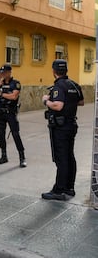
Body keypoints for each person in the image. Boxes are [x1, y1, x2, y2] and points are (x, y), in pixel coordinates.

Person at [41, 59, 84, 201]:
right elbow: (81, 102)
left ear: (54, 72)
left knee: (61, 158)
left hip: (60, 127)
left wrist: (46, 100)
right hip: (71, 125)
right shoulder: (74, 85)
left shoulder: (58, 86)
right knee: (70, 156)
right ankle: (69, 188)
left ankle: (59, 190)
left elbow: (58, 106)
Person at [0, 64, 26, 167]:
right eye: (2, 73)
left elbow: (14, 96)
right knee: (1, 135)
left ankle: (22, 157)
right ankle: (4, 155)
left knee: (15, 134)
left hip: (10, 112)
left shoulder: (15, 83)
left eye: (5, 72)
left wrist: (1, 94)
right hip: (0, 112)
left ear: (10, 72)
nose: (3, 74)